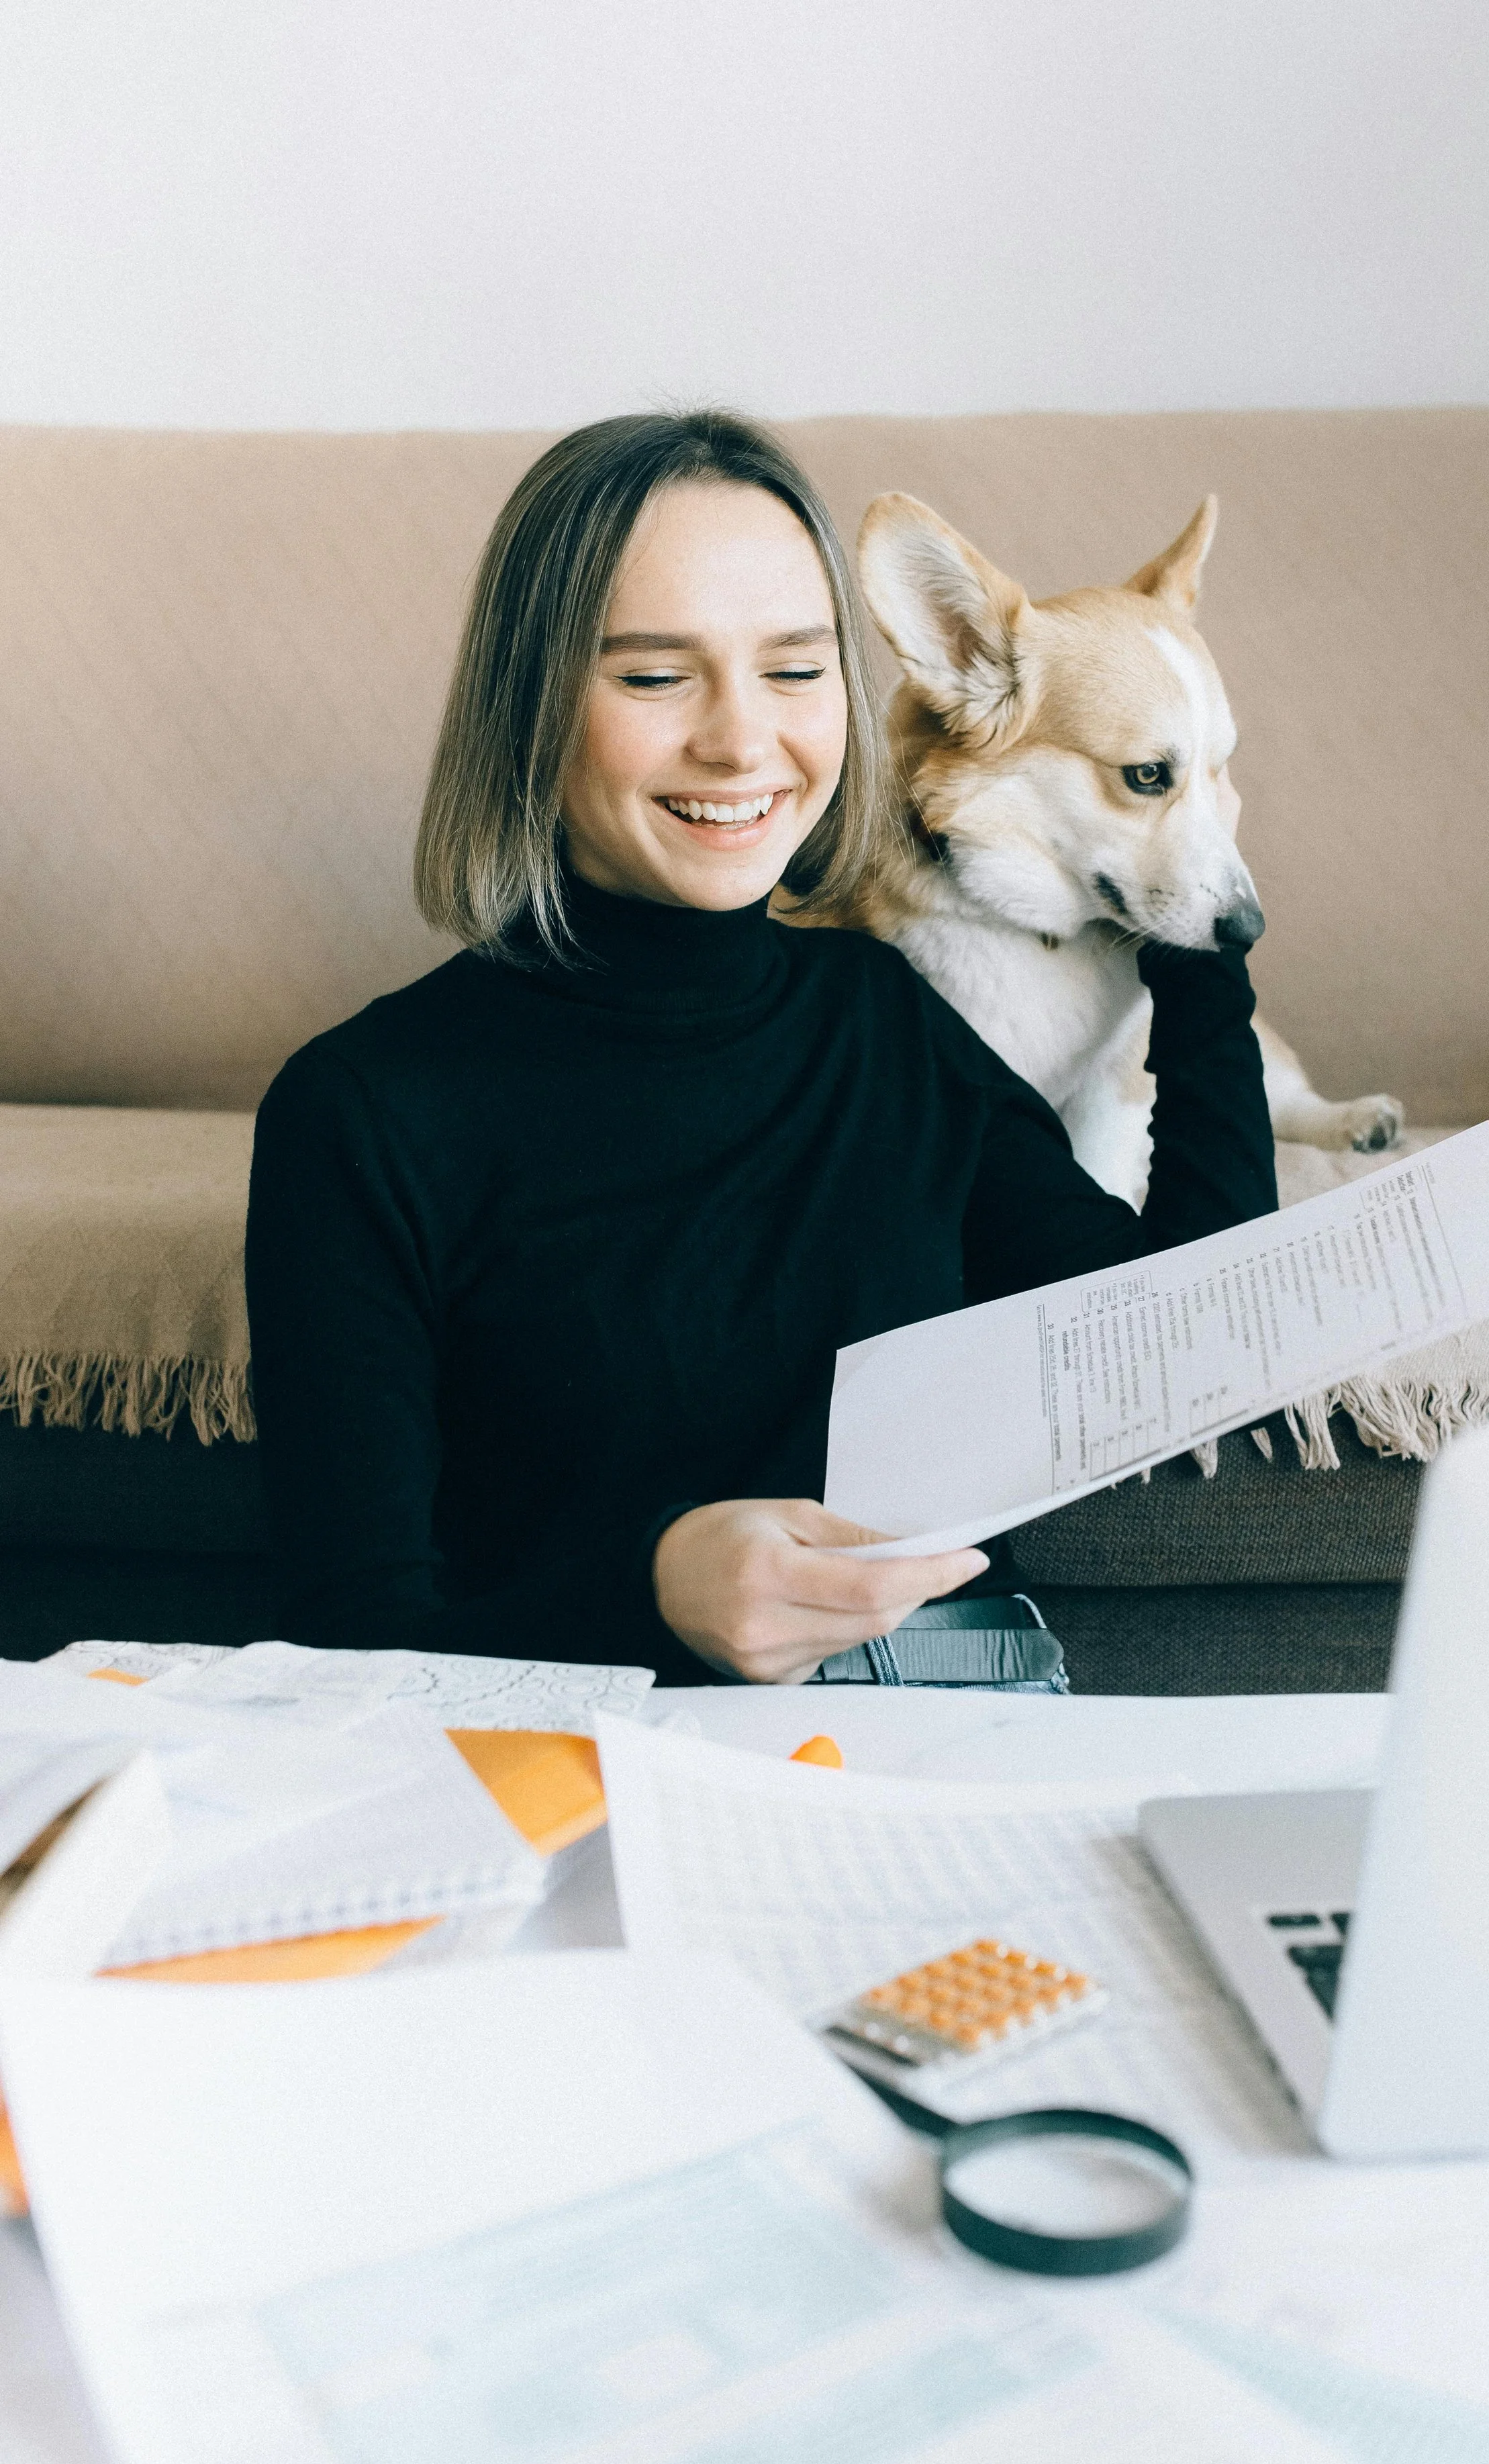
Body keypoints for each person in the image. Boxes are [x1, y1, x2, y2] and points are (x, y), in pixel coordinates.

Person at [246, 412, 1276, 1686]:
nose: (743, 742)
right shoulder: (359, 1110)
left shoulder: (889, 1021)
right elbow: (342, 1639)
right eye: (655, 675)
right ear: (530, 706)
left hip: (954, 1708)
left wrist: (1196, 925)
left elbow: (1188, 1344)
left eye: (795, 670)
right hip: (577, 1732)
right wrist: (655, 1587)